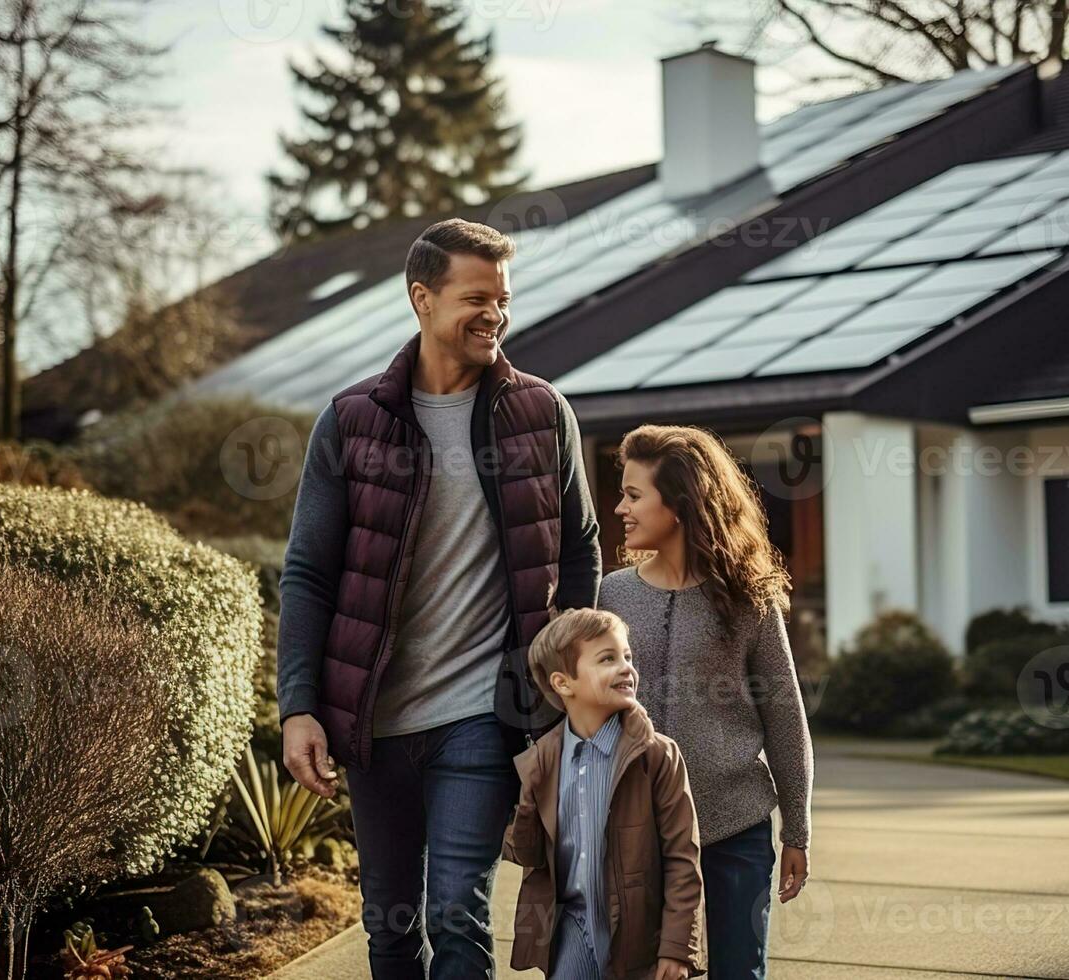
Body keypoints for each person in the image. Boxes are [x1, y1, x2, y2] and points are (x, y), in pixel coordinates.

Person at [276, 218, 602, 978]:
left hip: (482, 717)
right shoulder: (353, 420)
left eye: (503, 298)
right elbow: (309, 573)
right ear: (421, 299)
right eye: (475, 297)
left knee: (456, 909)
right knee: (389, 926)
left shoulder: (541, 413)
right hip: (373, 721)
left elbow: (579, 547)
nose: (494, 313)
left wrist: (562, 678)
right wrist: (298, 706)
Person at [597, 424, 814, 980]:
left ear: (680, 503)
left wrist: (797, 830)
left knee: (739, 971)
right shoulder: (608, 596)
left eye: (633, 494)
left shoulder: (747, 597)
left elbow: (785, 713)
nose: (620, 507)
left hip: (733, 826)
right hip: (635, 833)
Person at [503, 607, 706, 980]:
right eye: (608, 659)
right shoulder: (542, 761)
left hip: (638, 939)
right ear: (564, 683)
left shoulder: (656, 756)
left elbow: (683, 859)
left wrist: (678, 948)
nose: (626, 667)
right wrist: (525, 808)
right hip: (573, 930)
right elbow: (528, 855)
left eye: (628, 656)